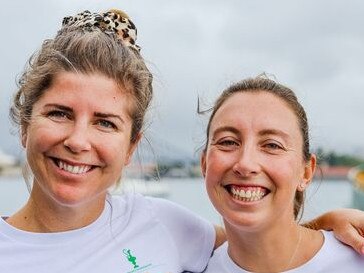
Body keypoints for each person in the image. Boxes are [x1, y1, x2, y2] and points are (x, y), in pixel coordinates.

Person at [0, 8, 363, 273]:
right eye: (59, 113)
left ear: (131, 147)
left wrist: (325, 223)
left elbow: (260, 249)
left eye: (105, 123)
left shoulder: (163, 224)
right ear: (24, 127)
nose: (78, 141)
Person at [201, 76, 364, 272]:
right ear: (204, 164)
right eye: (228, 142)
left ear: (306, 172)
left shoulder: (355, 260)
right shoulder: (192, 264)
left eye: (272, 145)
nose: (245, 164)